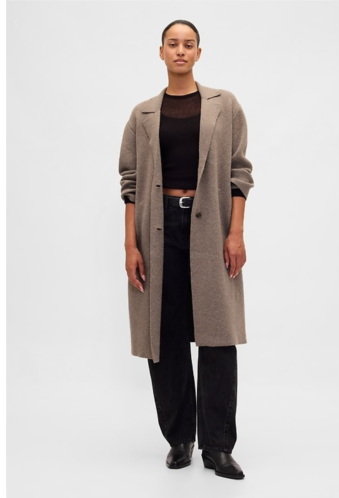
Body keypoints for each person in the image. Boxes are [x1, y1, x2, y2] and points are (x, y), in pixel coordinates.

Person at [118, 20, 254, 480]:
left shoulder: (224, 105)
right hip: (156, 228)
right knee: (165, 333)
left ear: (199, 52)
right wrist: (130, 243)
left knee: (217, 334)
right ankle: (180, 439)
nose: (180, 51)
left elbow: (239, 171)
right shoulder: (142, 114)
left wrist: (235, 233)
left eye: (188, 44)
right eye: (172, 44)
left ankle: (217, 446)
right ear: (161, 52)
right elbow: (130, 182)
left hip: (210, 227)